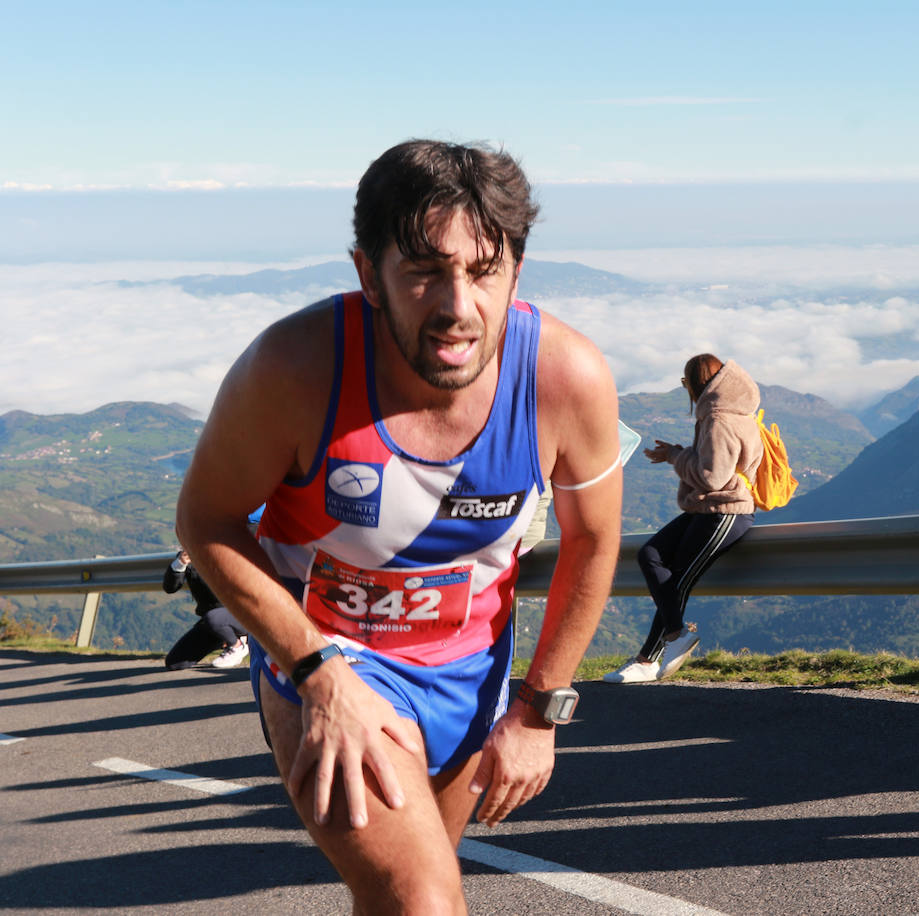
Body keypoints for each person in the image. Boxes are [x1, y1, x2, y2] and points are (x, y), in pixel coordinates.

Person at [175, 140, 622, 914]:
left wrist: (540, 708)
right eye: (423, 270)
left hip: (467, 666)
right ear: (367, 275)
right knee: (422, 900)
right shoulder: (295, 368)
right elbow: (206, 519)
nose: (457, 306)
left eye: (485, 270)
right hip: (326, 656)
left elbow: (592, 538)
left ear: (517, 270)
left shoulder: (564, 377)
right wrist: (318, 675)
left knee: (409, 894)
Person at [604, 354, 763, 683]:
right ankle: (670, 641)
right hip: (708, 509)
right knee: (651, 554)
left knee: (678, 580)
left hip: (725, 512)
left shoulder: (720, 418)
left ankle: (648, 659)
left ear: (697, 384)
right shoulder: (726, 413)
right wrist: (675, 452)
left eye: (685, 384)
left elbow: (711, 478)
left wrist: (675, 455)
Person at [162, 548, 249, 669]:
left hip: (244, 616)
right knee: (175, 663)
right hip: (213, 622)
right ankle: (224, 637)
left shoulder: (230, 550)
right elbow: (170, 588)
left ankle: (237, 645)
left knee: (214, 617)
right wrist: (180, 563)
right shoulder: (189, 555)